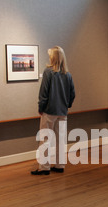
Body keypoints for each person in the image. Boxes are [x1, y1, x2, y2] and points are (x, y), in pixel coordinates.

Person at [31, 46, 75, 175]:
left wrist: (41, 107)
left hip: (49, 111)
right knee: (61, 139)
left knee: (45, 139)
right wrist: (66, 105)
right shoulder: (68, 75)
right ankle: (60, 165)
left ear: (53, 57)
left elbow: (43, 93)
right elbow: (72, 94)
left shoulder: (48, 72)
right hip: (62, 112)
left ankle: (44, 167)